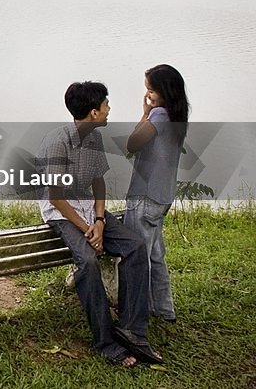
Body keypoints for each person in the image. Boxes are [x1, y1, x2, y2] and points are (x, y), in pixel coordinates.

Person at [37, 81, 163, 367]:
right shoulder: (57, 142)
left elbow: (98, 182)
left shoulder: (93, 138)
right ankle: (105, 342)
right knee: (89, 262)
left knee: (135, 246)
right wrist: (87, 229)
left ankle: (132, 329)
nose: (109, 109)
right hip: (63, 214)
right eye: (106, 105)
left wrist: (100, 220)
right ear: (94, 112)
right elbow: (56, 198)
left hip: (91, 214)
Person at [125, 64, 189, 323]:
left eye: (151, 90)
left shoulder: (160, 115)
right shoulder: (177, 115)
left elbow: (132, 144)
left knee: (139, 258)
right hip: (162, 196)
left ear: (163, 91)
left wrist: (145, 113)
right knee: (155, 255)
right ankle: (164, 310)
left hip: (145, 195)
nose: (148, 95)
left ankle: (138, 315)